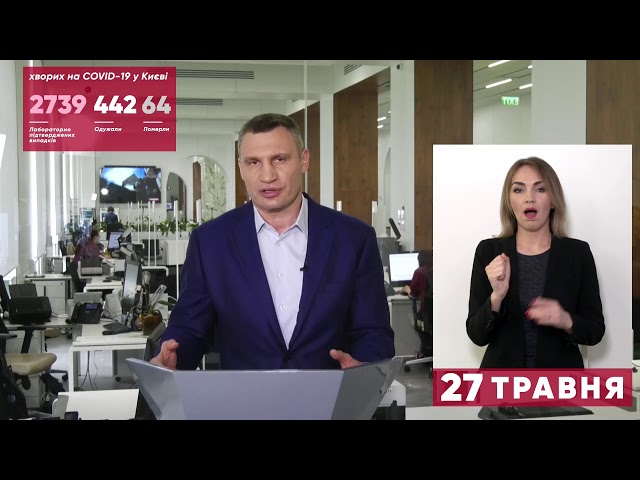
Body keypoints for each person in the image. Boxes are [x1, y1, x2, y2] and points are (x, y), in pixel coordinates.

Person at [151, 113, 394, 371]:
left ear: (304, 160)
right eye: (254, 162)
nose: (267, 176)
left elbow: (374, 332)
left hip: (331, 395)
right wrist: (173, 357)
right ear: (241, 168)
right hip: (246, 395)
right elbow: (189, 327)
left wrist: (363, 369)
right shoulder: (210, 242)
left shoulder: (353, 239)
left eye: (279, 159)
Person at [466, 156, 605, 368]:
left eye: (540, 189)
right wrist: (496, 297)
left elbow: (595, 331)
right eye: (519, 190)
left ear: (553, 200)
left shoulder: (578, 253)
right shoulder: (488, 251)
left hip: (560, 382)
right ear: (509, 202)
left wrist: (564, 319)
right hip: (501, 382)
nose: (529, 198)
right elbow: (477, 335)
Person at [402, 249, 433, 358]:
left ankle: (427, 349)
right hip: (439, 315)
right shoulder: (439, 270)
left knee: (418, 318)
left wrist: (406, 289)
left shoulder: (419, 272)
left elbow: (413, 294)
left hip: (427, 316)